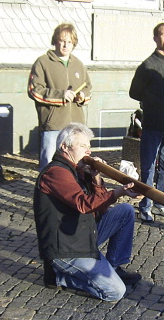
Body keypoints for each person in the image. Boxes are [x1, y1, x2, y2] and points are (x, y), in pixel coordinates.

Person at [33, 123, 142, 302]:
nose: (88, 151)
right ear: (65, 147)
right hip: (66, 249)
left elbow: (100, 208)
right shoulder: (56, 173)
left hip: (83, 236)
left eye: (89, 146)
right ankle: (59, 277)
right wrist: (118, 192)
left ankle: (113, 266)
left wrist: (95, 176)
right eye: (83, 146)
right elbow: (84, 204)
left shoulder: (77, 171)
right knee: (115, 292)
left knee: (125, 211)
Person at [129, 23, 164, 222]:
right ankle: (146, 206)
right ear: (155, 38)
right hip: (152, 124)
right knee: (148, 167)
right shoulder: (147, 66)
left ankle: (163, 203)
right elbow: (134, 92)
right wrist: (152, 101)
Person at [29, 23, 92, 170]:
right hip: (53, 124)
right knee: (49, 162)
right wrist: (61, 95)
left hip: (76, 125)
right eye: (62, 41)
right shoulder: (42, 62)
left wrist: (82, 96)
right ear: (55, 41)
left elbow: (88, 87)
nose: (65, 45)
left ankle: (76, 190)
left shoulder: (78, 64)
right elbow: (34, 90)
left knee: (78, 162)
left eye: (69, 42)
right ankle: (47, 191)